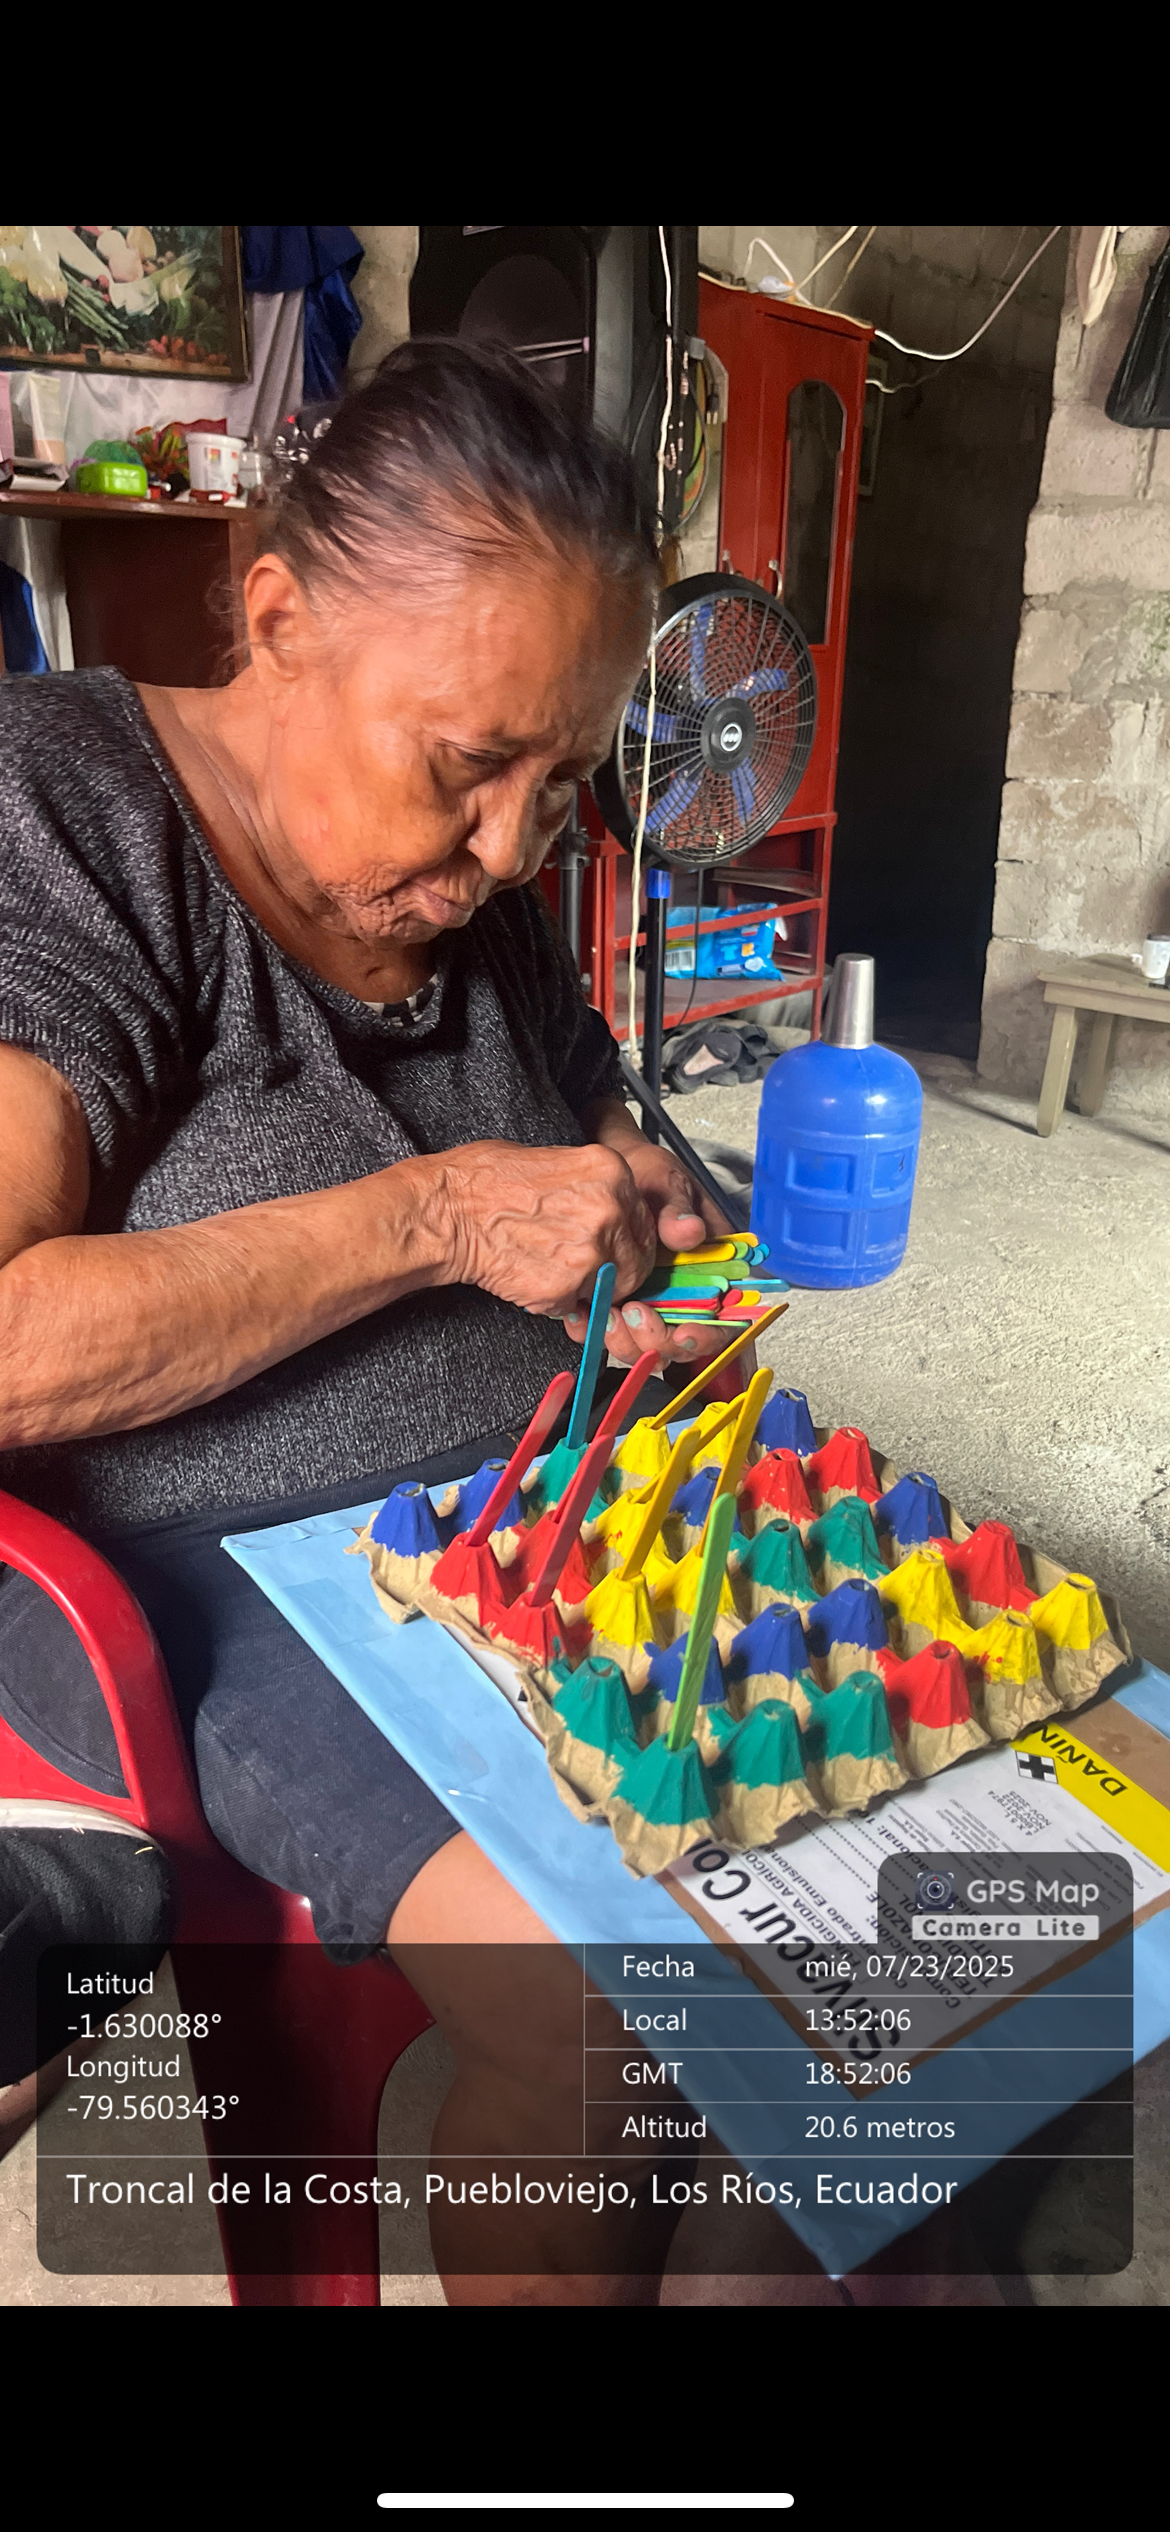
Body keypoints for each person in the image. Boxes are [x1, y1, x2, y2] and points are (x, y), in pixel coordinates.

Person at [0, 340, 741, 2304]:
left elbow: (594, 1136)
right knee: (614, 2030)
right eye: (465, 766)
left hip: (570, 1502)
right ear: (276, 620)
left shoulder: (483, 882)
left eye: (560, 781)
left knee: (951, 1925)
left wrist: (647, 1232)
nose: (508, 850)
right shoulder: (64, 805)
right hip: (257, 1578)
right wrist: (440, 1214)